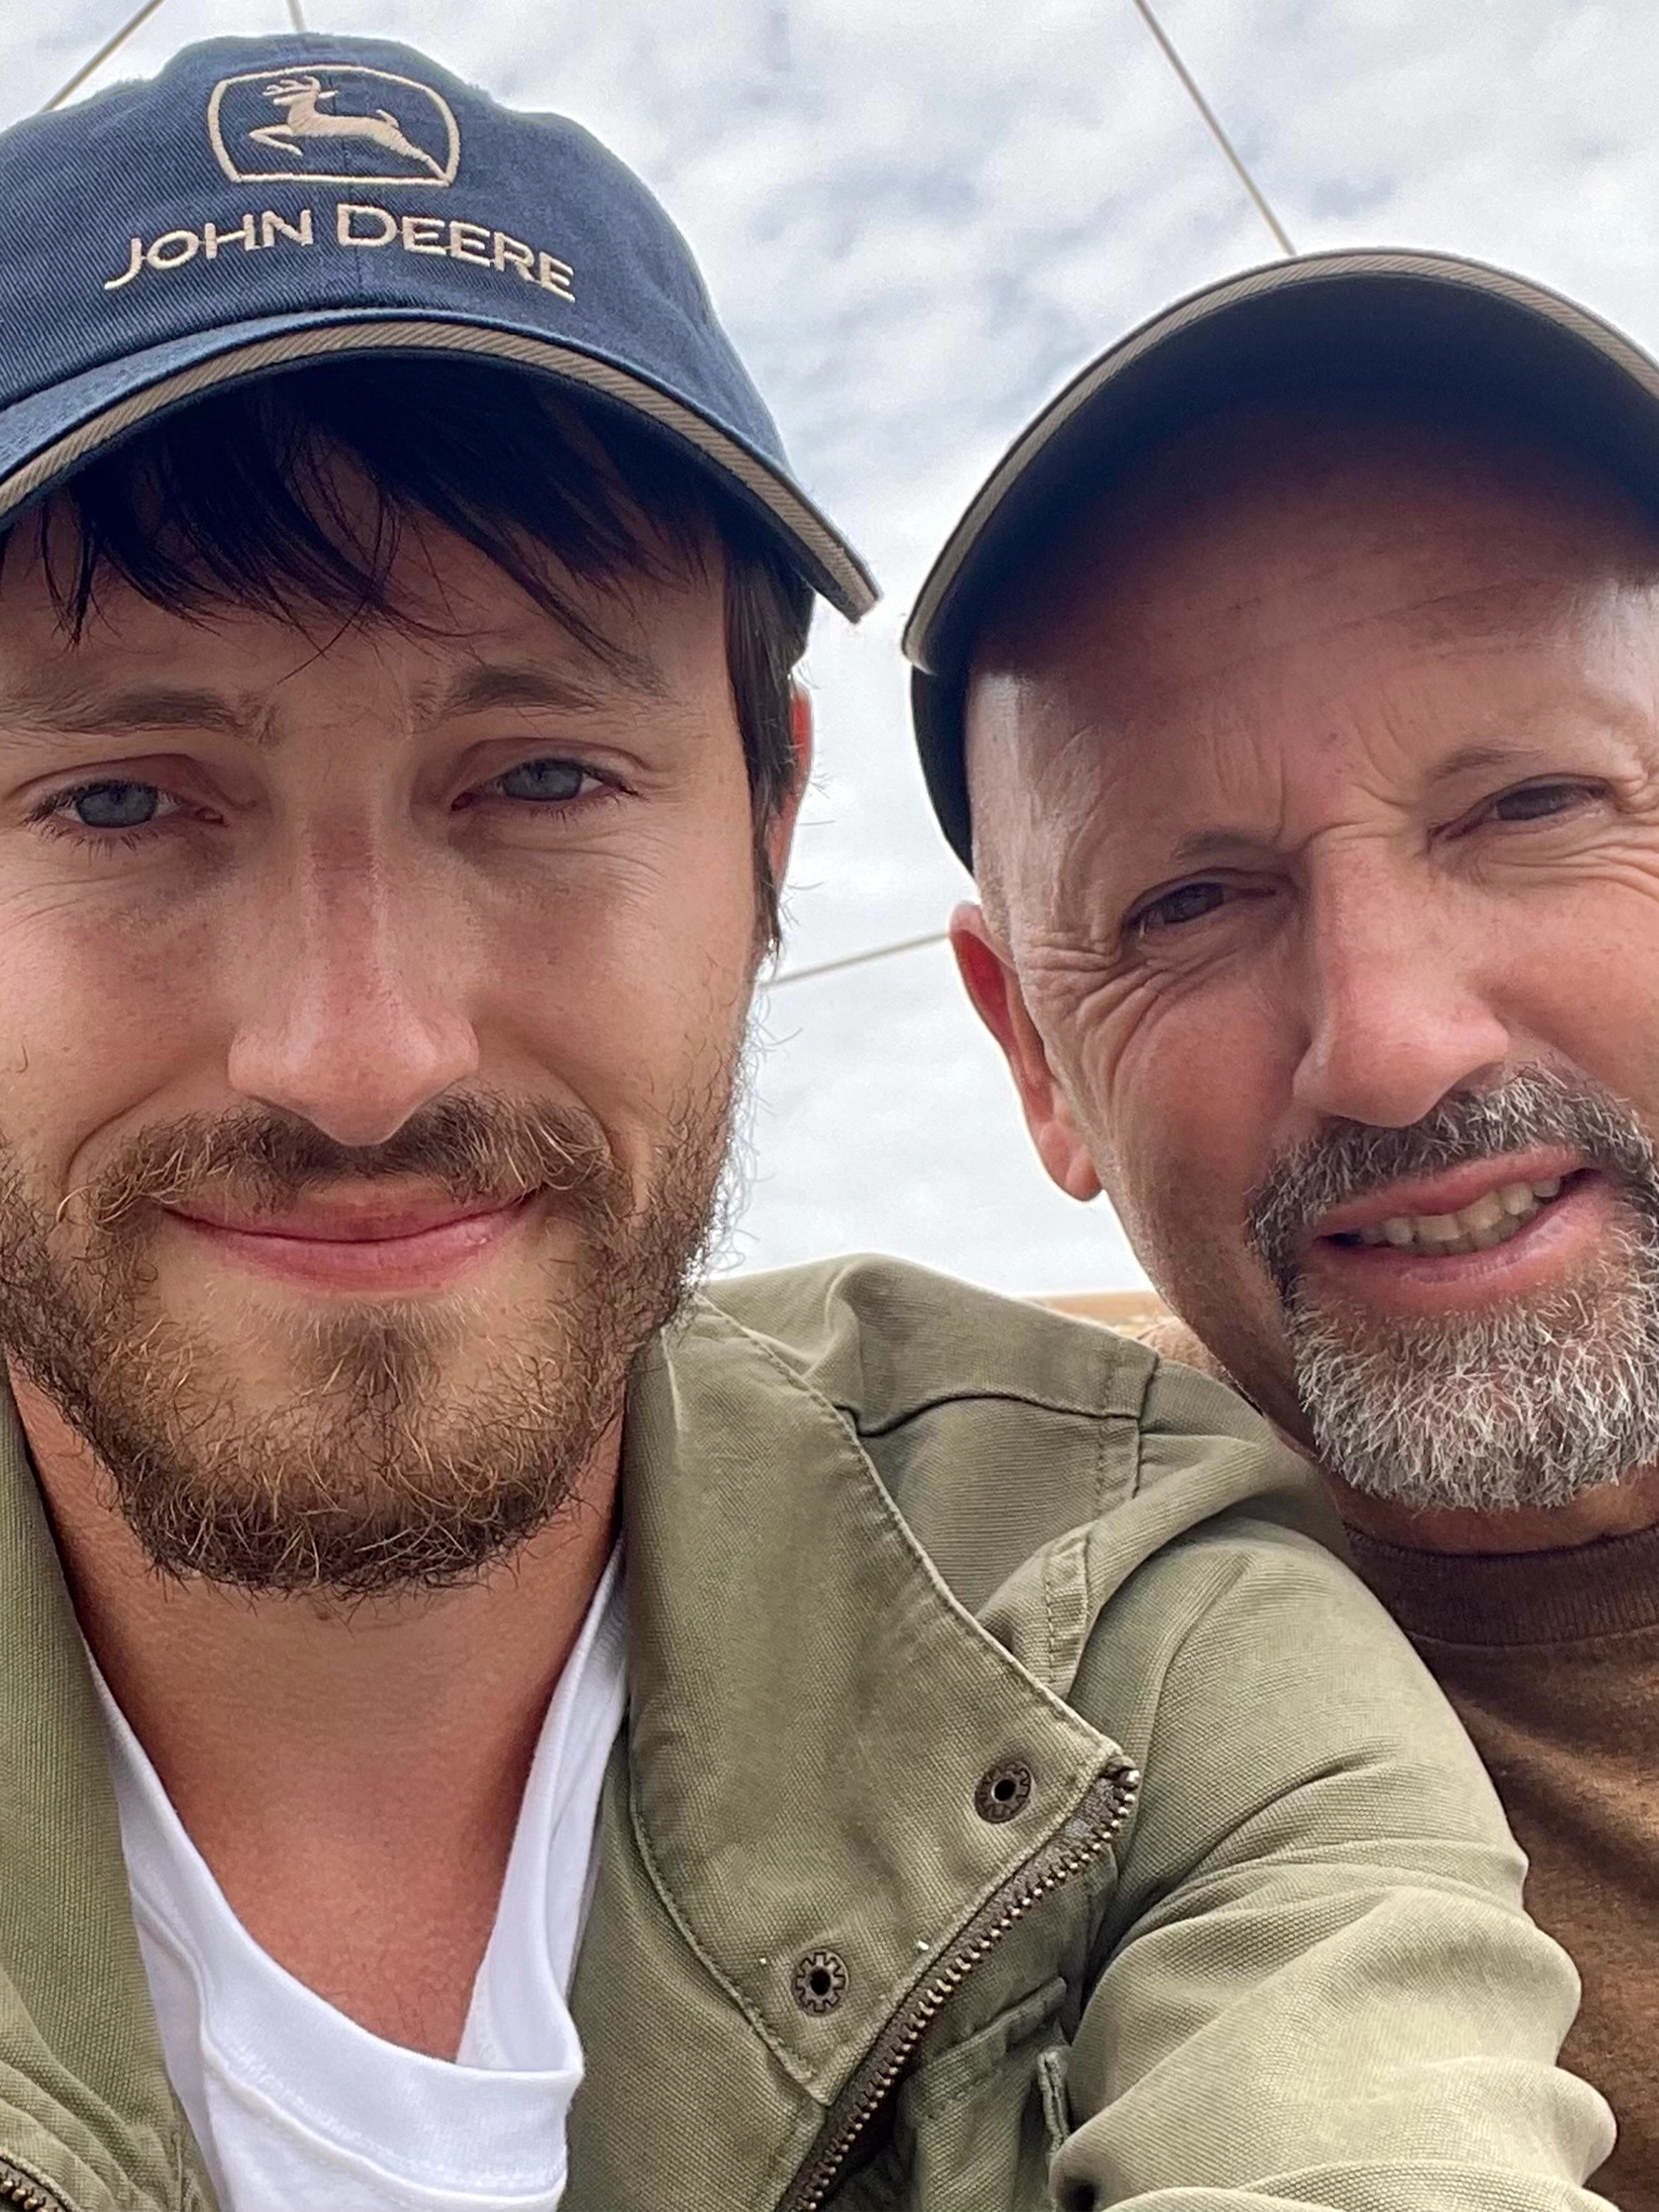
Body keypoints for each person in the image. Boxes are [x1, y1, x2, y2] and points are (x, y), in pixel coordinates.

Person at [0, 41, 1617, 2209]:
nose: (359, 1053)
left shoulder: (1137, 1624)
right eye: (121, 801)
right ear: (1025, 1047)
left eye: (541, 777)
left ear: (770, 824)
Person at [911, 247, 1659, 2210]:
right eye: (1186, 905)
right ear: (1038, 1062)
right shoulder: (920, 1666)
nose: (1395, 1045)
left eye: (1528, 807)